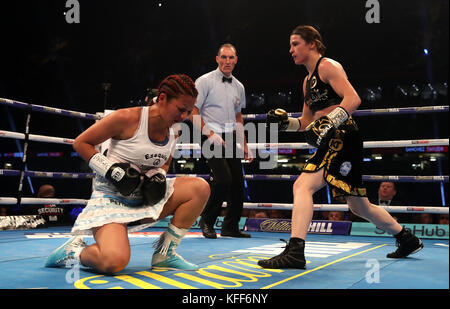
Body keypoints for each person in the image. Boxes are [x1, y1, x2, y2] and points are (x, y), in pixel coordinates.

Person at [259, 25, 423, 269]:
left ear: (312, 43)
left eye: (295, 44)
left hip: (343, 136)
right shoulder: (306, 82)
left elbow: (354, 98)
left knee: (302, 185)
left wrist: (328, 122)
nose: (290, 50)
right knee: (358, 206)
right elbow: (305, 123)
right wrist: (285, 124)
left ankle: (295, 251)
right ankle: (406, 239)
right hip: (331, 138)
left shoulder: (328, 66)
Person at [45, 74, 210, 273]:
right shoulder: (127, 118)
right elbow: (81, 143)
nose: (183, 117)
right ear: (164, 98)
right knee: (114, 261)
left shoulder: (174, 129)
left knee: (199, 188)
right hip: (111, 199)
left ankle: (165, 254)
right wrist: (111, 171)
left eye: (188, 111)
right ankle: (74, 252)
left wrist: (158, 174)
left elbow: (165, 161)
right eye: (180, 109)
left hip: (143, 198)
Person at [189, 43, 253, 239]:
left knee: (237, 183)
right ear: (217, 59)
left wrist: (244, 144)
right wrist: (209, 133)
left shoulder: (239, 86)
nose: (227, 61)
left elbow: (238, 116)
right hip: (209, 134)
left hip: (230, 135)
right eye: (223, 57)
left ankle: (230, 227)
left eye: (231, 58)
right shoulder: (204, 81)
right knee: (223, 179)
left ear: (236, 60)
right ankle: (207, 221)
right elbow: (193, 112)